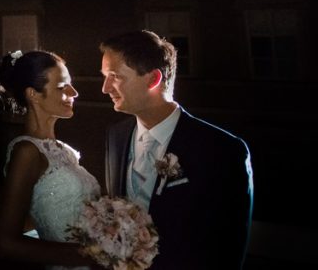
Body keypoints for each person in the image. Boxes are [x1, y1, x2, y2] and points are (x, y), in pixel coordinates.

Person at [101, 30, 253, 269]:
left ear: (153, 79)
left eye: (115, 76)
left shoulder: (222, 150)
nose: (105, 88)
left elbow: (228, 248)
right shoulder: (116, 136)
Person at [0, 50, 102, 269]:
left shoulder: (65, 151)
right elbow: (7, 244)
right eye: (63, 87)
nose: (75, 93)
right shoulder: (27, 151)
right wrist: (91, 255)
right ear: (33, 94)